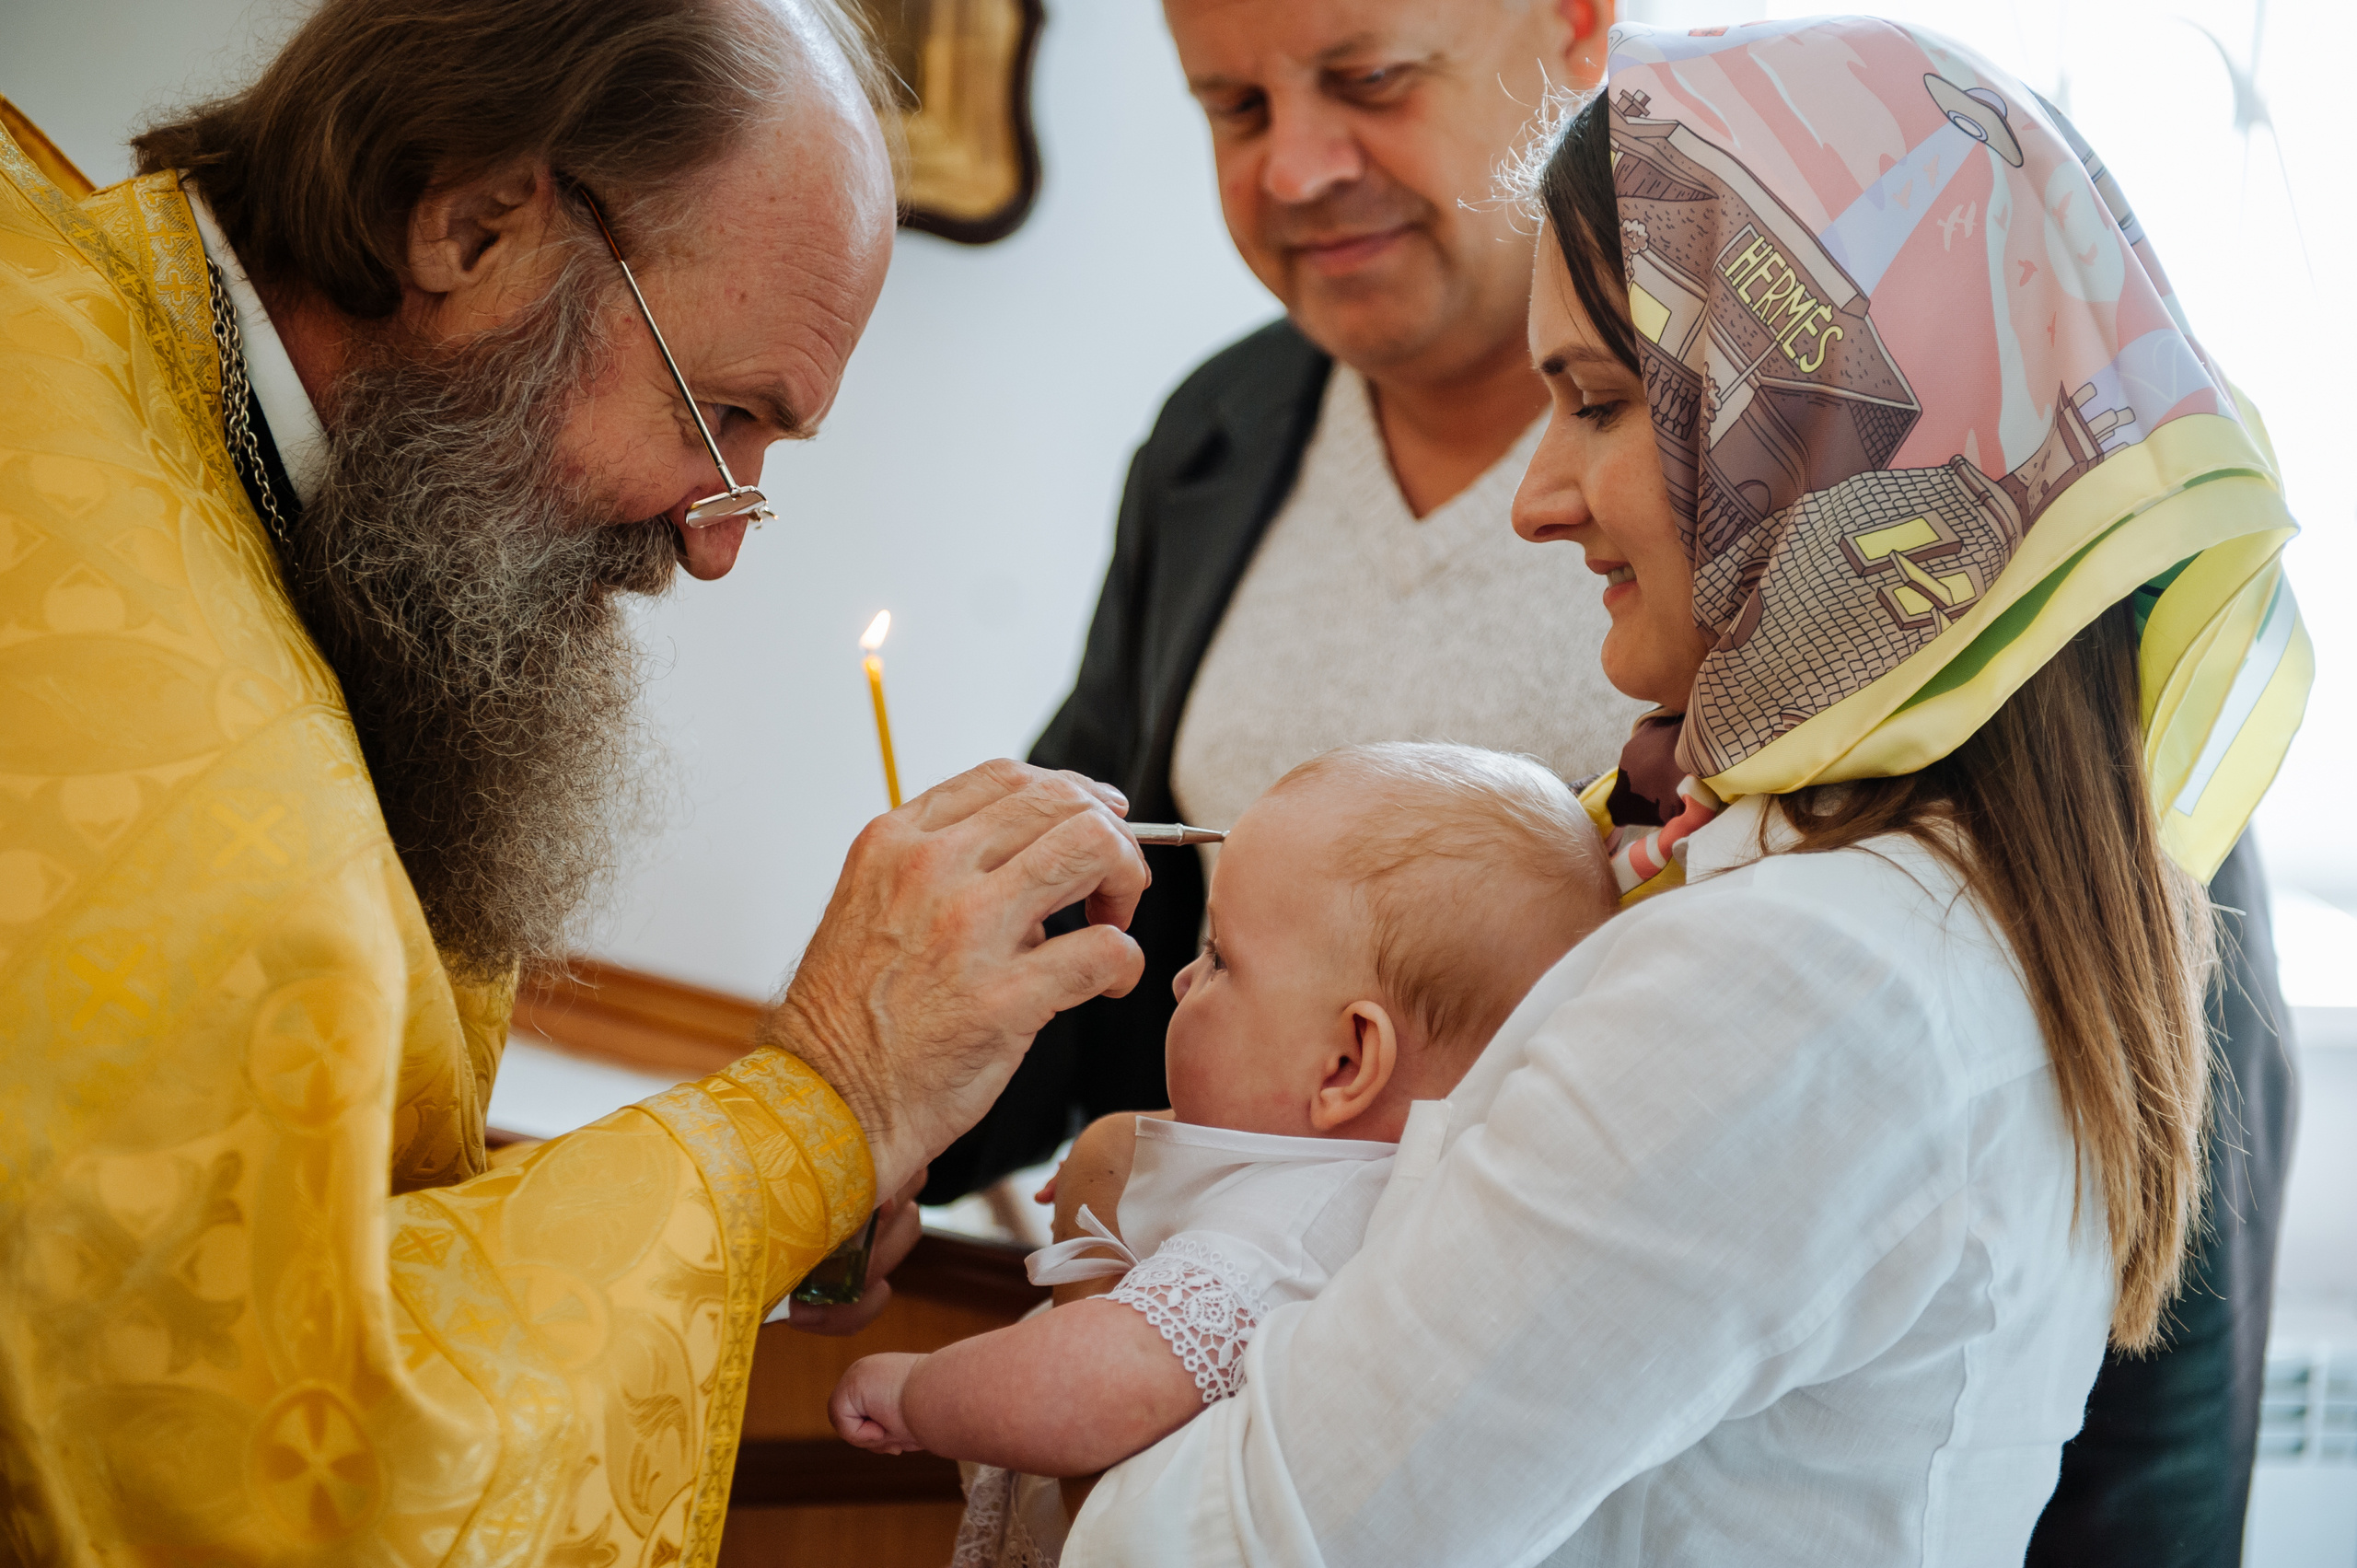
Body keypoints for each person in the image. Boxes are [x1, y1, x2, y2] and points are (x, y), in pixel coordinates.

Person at [1062, 21, 2309, 1565]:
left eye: (1597, 402)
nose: (1535, 498)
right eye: (1233, 105)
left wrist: (1127, 1344)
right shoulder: (1829, 882)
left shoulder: (1794, 972)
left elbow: (1247, 1535)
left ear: (1830, 425)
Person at [0, 3, 1153, 1562]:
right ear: (471, 226)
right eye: (721, 414)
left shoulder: (166, 407)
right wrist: (818, 1103)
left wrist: (791, 1172)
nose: (717, 539)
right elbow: (274, 1468)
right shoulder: (146, 727)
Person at [921, 0, 1646, 1204]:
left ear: (1578, 24)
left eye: (1372, 80)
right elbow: (1089, 913)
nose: (1297, 172)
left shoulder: (1747, 457)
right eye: (1236, 109)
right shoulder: (1217, 431)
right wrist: (869, 1138)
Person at [836, 743, 1619, 1566]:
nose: (1181, 980)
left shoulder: (1286, 1227)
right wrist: (1155, 1179)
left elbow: (1097, 1382)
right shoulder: (1351, 1183)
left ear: (1345, 1064)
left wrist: (915, 1393)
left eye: (1219, 958)